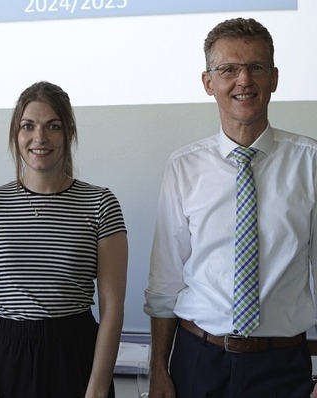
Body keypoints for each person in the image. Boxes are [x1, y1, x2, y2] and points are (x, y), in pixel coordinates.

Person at [144, 17, 317, 398]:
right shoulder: (183, 167)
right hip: (197, 362)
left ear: (273, 78)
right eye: (228, 69)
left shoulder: (310, 162)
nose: (244, 80)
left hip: (283, 365)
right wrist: (157, 367)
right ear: (209, 83)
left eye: (255, 67)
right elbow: (165, 282)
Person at [0, 81, 128, 398]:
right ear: (16, 133)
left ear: (68, 133)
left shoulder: (100, 203)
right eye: (28, 126)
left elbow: (113, 309)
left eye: (53, 126)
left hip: (77, 357)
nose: (39, 138)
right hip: (8, 359)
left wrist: (95, 389)